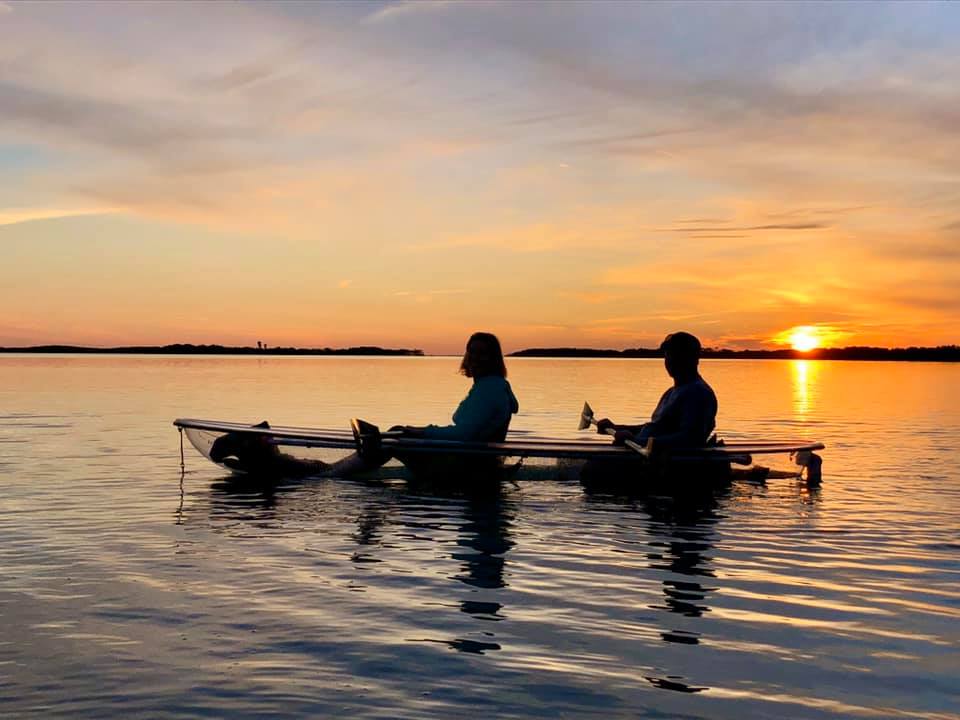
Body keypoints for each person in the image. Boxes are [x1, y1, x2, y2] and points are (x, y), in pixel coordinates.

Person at [209, 332, 519, 480]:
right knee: (392, 436)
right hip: (467, 459)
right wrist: (420, 432)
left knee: (393, 437)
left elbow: (464, 435)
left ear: (493, 358)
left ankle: (323, 475)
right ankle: (325, 470)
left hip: (468, 465)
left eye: (481, 353)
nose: (474, 358)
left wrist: (422, 431)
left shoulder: (490, 389)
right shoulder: (488, 387)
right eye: (471, 351)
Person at [583, 331, 719, 486]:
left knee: (592, 474)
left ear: (693, 359)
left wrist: (638, 441)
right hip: (642, 455)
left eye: (676, 354)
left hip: (666, 465)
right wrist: (617, 428)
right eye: (668, 354)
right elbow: (655, 427)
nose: (669, 360)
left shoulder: (698, 393)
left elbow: (691, 438)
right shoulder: (672, 391)